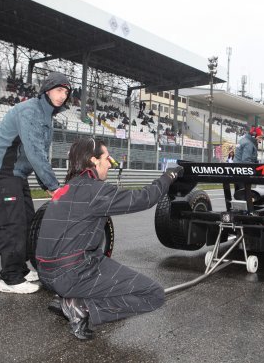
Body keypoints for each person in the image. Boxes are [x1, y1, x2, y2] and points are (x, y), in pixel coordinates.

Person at [35, 137, 184, 340]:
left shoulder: (64, 189)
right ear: (94, 161)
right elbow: (144, 198)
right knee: (153, 294)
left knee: (97, 257)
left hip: (46, 274)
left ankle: (67, 297)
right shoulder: (95, 191)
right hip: (71, 274)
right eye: (107, 158)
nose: (110, 164)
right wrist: (168, 177)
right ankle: (82, 308)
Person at [0, 72, 71, 294]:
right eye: (59, 90)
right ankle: (9, 278)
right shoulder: (31, 110)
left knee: (28, 222)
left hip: (16, 174)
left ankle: (20, 269)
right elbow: (34, 152)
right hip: (2, 172)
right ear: (47, 90)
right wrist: (52, 186)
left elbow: (38, 152)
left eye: (67, 92)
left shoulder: (46, 115)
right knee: (12, 224)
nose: (64, 95)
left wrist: (47, 185)